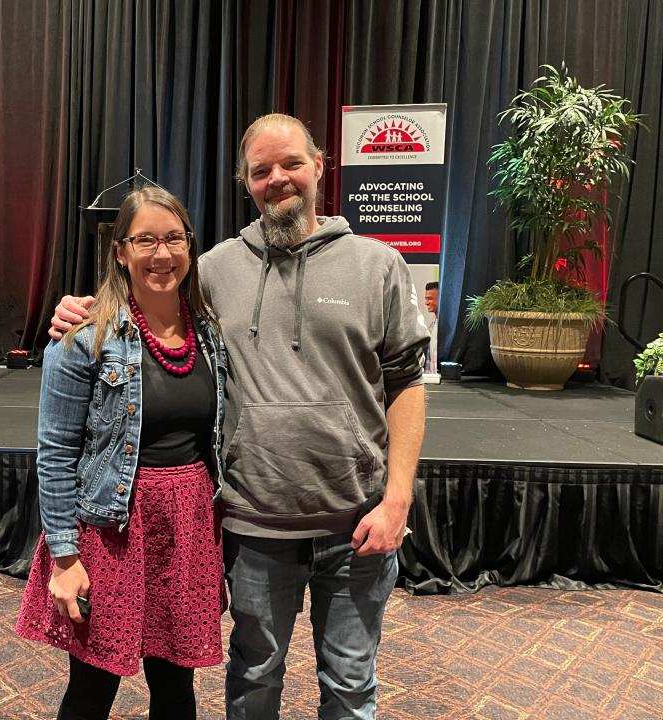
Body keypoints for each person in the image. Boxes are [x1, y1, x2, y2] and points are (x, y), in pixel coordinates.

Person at [51, 113, 428, 719]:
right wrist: (79, 311)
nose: (278, 179)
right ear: (244, 181)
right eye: (261, 170)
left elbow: (408, 383)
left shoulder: (377, 264)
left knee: (352, 685)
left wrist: (398, 500)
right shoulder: (215, 268)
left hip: (357, 523)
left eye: (291, 164)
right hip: (254, 526)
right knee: (253, 680)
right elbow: (146, 292)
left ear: (320, 167)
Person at [16, 187, 228, 720]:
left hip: (188, 527)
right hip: (113, 530)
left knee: (177, 689)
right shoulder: (83, 338)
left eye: (174, 238)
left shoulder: (210, 333)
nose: (162, 254)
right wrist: (65, 559)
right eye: (146, 240)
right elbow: (56, 454)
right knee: (93, 688)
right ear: (120, 250)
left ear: (190, 244)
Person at [424, 281, 439, 373]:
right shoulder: (431, 327)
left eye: (430, 298)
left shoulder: (447, 329)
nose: (426, 303)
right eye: (426, 299)